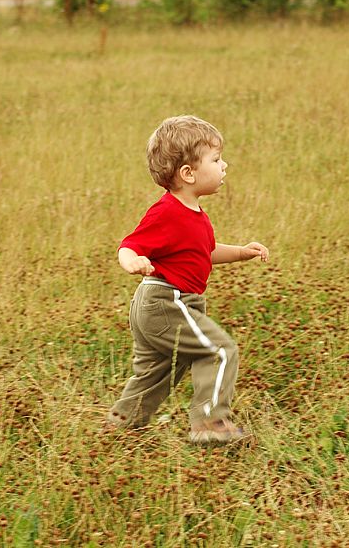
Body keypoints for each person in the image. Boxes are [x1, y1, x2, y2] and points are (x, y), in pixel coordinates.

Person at [106, 115, 269, 443]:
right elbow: (130, 245)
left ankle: (121, 425)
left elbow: (203, 252)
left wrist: (241, 252)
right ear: (188, 173)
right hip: (165, 301)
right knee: (220, 350)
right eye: (217, 159)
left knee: (160, 370)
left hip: (164, 305)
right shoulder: (166, 212)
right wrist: (133, 262)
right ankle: (210, 424)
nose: (225, 165)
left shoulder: (194, 215)